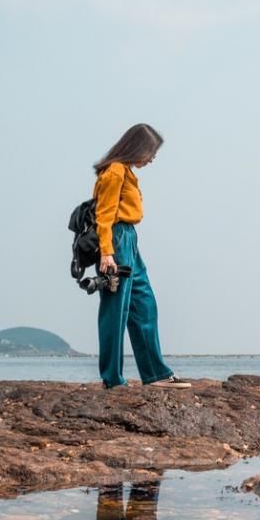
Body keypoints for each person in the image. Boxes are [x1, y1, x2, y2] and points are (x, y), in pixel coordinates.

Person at [92, 124, 190, 389]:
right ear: (137, 147)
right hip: (116, 239)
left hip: (129, 239)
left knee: (144, 304)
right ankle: (112, 379)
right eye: (151, 152)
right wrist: (107, 253)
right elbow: (104, 215)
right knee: (115, 312)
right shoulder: (114, 172)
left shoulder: (125, 172)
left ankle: (155, 374)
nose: (152, 158)